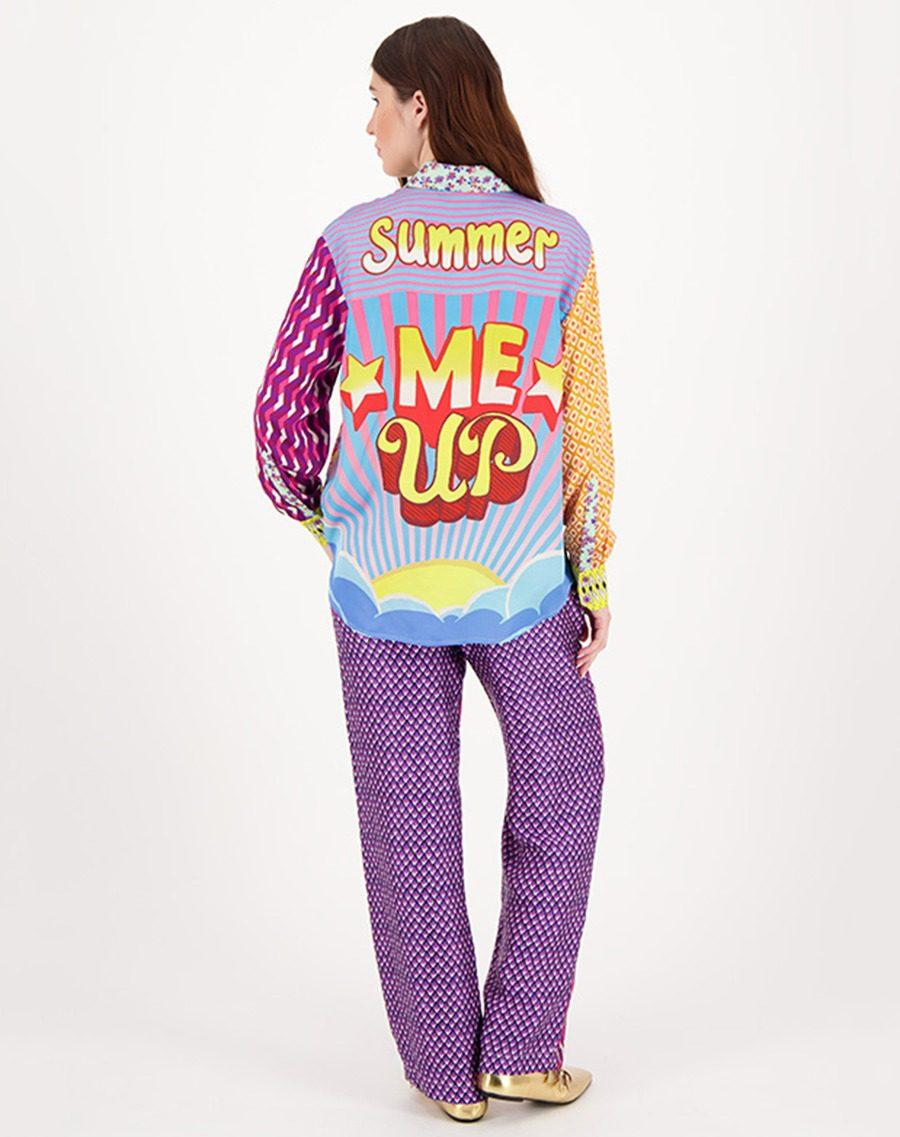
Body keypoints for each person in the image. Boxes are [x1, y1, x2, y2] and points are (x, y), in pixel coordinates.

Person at [253, 15, 616, 1124]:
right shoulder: (559, 246)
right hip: (525, 581)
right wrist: (591, 575)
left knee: (406, 819)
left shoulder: (348, 244)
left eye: (376, 100)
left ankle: (446, 1078)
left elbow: (278, 423)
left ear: (422, 103)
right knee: (565, 781)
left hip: (382, 586)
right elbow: (584, 434)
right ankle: (520, 1048)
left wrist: (341, 527)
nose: (368, 125)